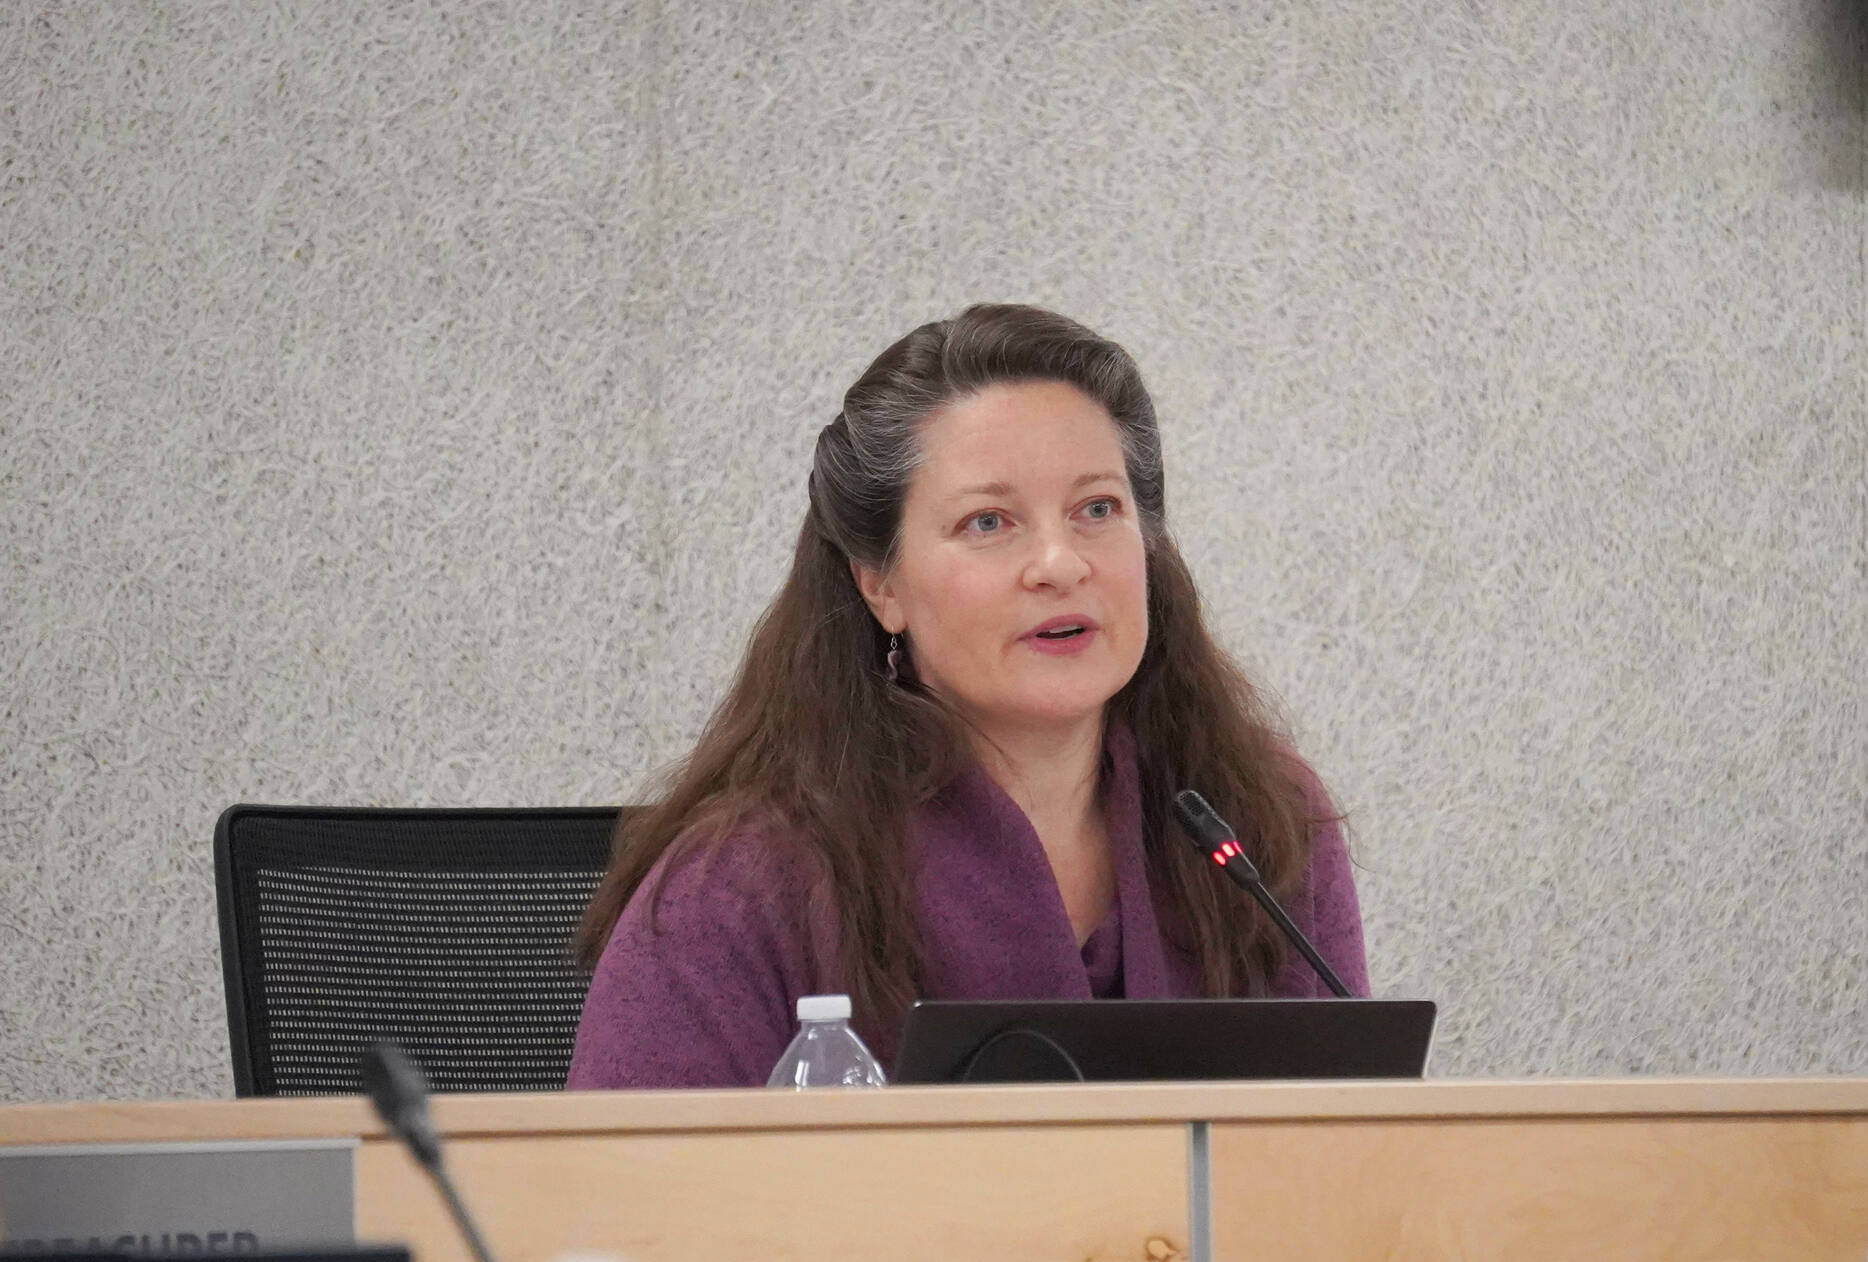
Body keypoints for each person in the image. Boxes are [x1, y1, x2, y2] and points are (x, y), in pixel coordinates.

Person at [567, 303, 1368, 1089]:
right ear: (880, 584)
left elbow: (1352, 1167)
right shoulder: (742, 886)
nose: (1059, 563)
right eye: (989, 522)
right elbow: (621, 1207)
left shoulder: (1259, 824)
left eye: (1097, 509)